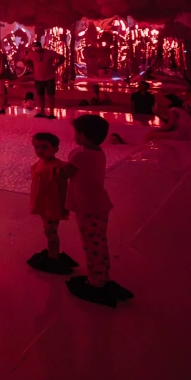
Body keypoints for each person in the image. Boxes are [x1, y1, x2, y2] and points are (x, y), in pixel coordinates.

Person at [66, 114, 132, 306]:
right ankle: (102, 275)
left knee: (91, 244)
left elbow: (65, 173)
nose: (74, 136)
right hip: (99, 204)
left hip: (88, 206)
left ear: (83, 135)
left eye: (76, 132)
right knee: (99, 242)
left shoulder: (80, 155)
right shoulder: (98, 152)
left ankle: (96, 282)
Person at [26, 132, 79, 274]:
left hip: (53, 204)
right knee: (49, 230)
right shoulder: (38, 164)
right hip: (43, 204)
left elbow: (73, 171)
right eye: (36, 147)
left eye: (44, 147)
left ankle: (53, 256)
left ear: (56, 149)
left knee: (51, 231)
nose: (40, 151)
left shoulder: (59, 166)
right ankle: (52, 254)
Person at [26, 42, 64, 119]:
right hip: (38, 77)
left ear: (41, 47)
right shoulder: (31, 54)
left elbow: (62, 57)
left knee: (50, 95)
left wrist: (56, 66)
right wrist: (30, 67)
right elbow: (25, 60)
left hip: (49, 77)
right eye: (34, 48)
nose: (36, 49)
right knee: (40, 95)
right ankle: (42, 111)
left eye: (37, 47)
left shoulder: (49, 52)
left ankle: (51, 112)